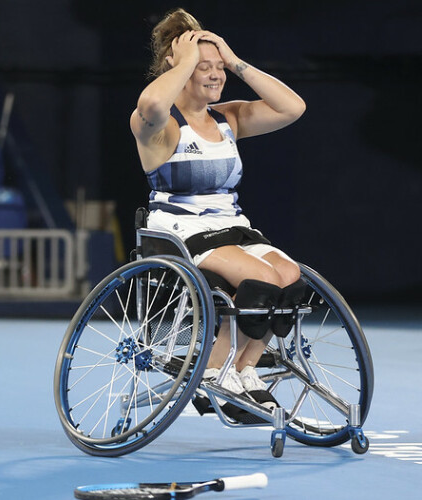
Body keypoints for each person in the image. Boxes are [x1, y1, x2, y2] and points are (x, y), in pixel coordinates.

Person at [130, 8, 306, 419]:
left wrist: (234, 60)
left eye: (218, 67)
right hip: (179, 230)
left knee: (290, 277)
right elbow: (153, 98)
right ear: (179, 68)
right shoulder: (160, 124)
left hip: (232, 227)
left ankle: (243, 372)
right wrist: (185, 60)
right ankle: (214, 369)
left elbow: (292, 107)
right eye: (203, 67)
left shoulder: (228, 117)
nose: (215, 74)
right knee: (261, 280)